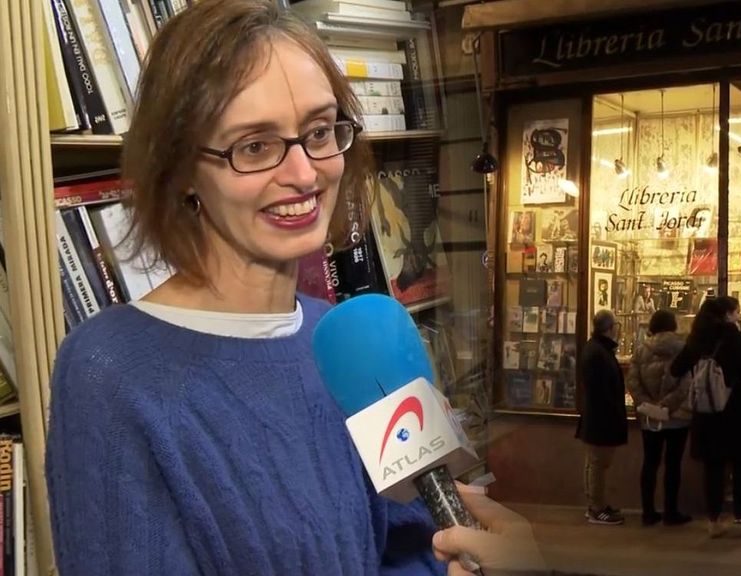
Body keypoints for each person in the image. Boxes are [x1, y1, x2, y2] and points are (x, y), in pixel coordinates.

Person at [44, 2, 536, 575]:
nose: (305, 174)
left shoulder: (342, 338)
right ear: (180, 169)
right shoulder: (110, 372)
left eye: (320, 132)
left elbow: (406, 545)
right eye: (254, 146)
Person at [670, 297, 741, 538]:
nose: (738, 316)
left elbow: (675, 369)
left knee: (713, 469)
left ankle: (714, 520)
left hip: (706, 413)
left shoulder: (697, 339)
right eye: (736, 312)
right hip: (734, 410)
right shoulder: (735, 337)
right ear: (728, 314)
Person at [625, 310, 693, 527]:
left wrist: (649, 405)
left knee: (650, 463)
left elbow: (633, 382)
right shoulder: (683, 349)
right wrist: (667, 405)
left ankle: (648, 511)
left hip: (650, 418)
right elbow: (686, 384)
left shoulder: (641, 350)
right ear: (673, 325)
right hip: (678, 417)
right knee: (673, 464)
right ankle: (671, 511)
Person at [577, 310, 628, 525]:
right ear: (610, 328)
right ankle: (596, 508)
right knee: (597, 464)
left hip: (599, 417)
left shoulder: (597, 349)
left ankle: (597, 504)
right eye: (616, 324)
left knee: (596, 464)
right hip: (601, 418)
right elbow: (598, 388)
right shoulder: (597, 352)